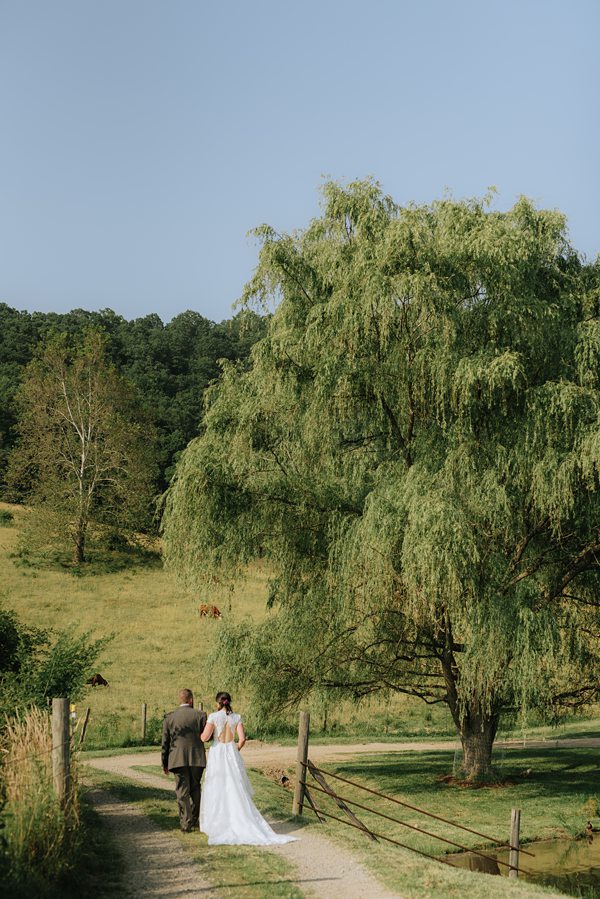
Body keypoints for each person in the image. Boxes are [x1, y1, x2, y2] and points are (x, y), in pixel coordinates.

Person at [199, 691, 297, 845]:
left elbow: (204, 738)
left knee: (217, 784)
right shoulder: (237, 717)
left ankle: (218, 821)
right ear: (229, 702)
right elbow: (243, 739)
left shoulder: (213, 716)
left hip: (218, 752)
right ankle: (240, 817)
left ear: (218, 703)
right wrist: (235, 749)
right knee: (234, 785)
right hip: (231, 751)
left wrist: (201, 736)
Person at [161, 688, 207, 833]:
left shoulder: (170, 718)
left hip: (177, 759)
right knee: (195, 788)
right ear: (191, 700)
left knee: (182, 791)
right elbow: (207, 736)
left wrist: (165, 762)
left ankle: (186, 823)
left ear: (179, 700)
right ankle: (194, 819)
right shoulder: (201, 715)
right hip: (197, 758)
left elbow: (165, 743)